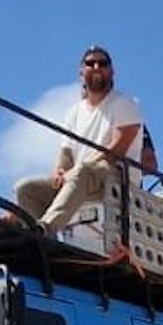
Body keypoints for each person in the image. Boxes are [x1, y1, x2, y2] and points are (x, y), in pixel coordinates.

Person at [15, 46, 144, 231]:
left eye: (103, 63)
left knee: (82, 171)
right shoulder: (73, 112)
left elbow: (117, 149)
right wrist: (60, 170)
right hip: (79, 180)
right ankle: (40, 242)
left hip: (114, 178)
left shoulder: (124, 103)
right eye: (90, 63)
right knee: (25, 188)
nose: (97, 66)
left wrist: (74, 171)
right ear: (81, 72)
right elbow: (66, 153)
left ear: (112, 71)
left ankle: (45, 228)